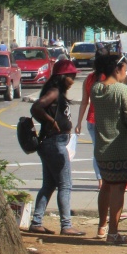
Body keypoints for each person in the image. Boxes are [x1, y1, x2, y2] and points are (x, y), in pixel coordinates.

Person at [29, 59, 85, 236]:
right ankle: (66, 225)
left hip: (53, 142)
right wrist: (51, 120)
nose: (73, 80)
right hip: (54, 143)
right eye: (70, 76)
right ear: (62, 77)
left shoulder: (57, 91)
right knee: (65, 184)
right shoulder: (53, 92)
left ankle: (37, 221)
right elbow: (36, 107)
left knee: (49, 185)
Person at [91, 54, 127, 243]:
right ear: (117, 69)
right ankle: (113, 233)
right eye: (125, 70)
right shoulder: (122, 90)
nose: (125, 74)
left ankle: (102, 226)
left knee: (106, 186)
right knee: (119, 188)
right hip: (120, 147)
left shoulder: (96, 89)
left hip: (102, 146)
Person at [76, 50, 109, 188]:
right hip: (107, 120)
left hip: (92, 119)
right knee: (108, 151)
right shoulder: (109, 78)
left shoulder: (89, 79)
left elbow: (84, 102)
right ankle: (107, 179)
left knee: (97, 151)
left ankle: (100, 180)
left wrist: (78, 123)